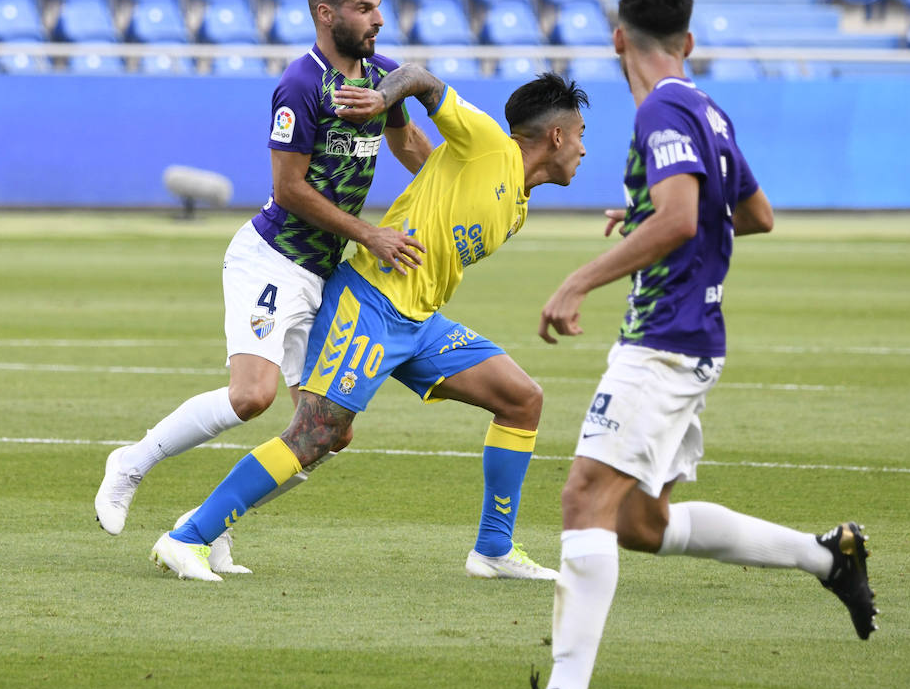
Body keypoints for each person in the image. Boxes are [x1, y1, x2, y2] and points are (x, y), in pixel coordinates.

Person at [513, 0, 878, 689]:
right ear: (689, 42)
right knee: (641, 524)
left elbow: (682, 219)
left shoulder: (663, 109)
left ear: (619, 39)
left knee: (584, 496)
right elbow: (755, 214)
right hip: (691, 336)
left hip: (665, 339)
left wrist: (580, 279)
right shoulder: (707, 110)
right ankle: (828, 557)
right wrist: (646, 210)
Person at [150, 65, 590, 583]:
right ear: (557, 135)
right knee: (317, 433)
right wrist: (383, 99)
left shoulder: (515, 199)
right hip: (370, 301)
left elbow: (434, 171)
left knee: (522, 399)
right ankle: (187, 537)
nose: (582, 149)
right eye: (580, 136)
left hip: (419, 321)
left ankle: (493, 549)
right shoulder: (491, 142)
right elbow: (419, 78)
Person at [95, 0, 432, 573]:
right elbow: (289, 188)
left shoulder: (383, 79)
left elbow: (411, 150)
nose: (378, 18)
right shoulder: (300, 85)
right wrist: (369, 234)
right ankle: (132, 462)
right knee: (253, 397)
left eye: (378, 7)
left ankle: (207, 524)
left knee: (329, 432)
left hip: (325, 271)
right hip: (274, 260)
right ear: (326, 15)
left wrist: (460, 189)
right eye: (362, 8)